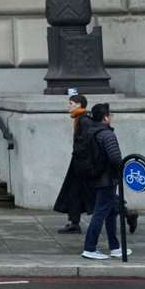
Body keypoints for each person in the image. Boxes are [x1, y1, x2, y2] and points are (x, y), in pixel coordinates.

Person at [80, 103, 127, 261]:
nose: (112, 117)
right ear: (105, 117)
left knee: (111, 212)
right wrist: (122, 171)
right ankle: (89, 247)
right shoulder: (107, 134)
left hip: (96, 177)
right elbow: (115, 157)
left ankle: (115, 247)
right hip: (106, 179)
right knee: (100, 213)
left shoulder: (92, 132)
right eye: (110, 114)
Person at [53, 92, 92, 233]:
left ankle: (126, 212)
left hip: (82, 163)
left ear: (79, 105)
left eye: (71, 103)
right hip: (78, 162)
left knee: (94, 193)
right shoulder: (79, 118)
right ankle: (74, 222)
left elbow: (86, 142)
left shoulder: (84, 120)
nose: (68, 106)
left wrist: (80, 157)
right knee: (74, 191)